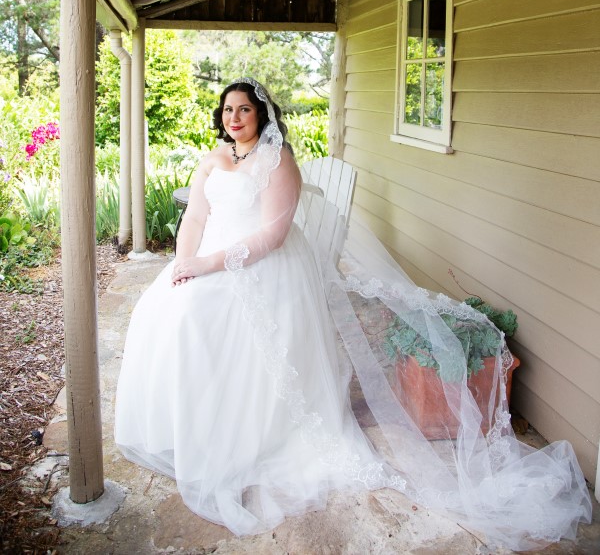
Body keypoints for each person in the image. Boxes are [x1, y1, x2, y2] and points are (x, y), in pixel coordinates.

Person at [115, 78, 592, 549]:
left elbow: (270, 238)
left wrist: (207, 265)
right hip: (208, 260)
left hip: (260, 266)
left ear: (262, 114)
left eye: (243, 109)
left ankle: (242, 431)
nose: (233, 118)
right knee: (163, 311)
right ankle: (190, 425)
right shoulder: (213, 159)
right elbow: (195, 218)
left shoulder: (278, 162)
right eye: (227, 110)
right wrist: (183, 263)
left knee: (201, 318)